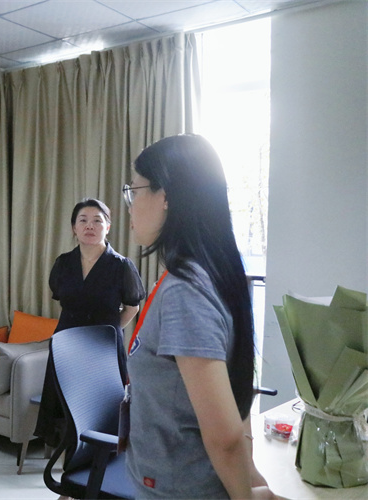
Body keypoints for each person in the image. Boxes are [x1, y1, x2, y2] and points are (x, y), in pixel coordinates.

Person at [124, 134, 274, 498]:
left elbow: (224, 436)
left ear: (165, 197)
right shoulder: (212, 273)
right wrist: (251, 478)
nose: (129, 205)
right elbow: (234, 395)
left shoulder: (185, 290)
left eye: (134, 191)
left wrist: (246, 494)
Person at [35, 198, 145, 447]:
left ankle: (97, 464)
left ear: (108, 227)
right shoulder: (63, 263)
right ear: (74, 228)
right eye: (83, 220)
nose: (90, 226)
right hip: (66, 345)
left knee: (101, 412)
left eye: (97, 220)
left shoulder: (121, 266)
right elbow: (64, 300)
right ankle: (66, 461)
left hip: (103, 350)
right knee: (65, 409)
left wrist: (108, 331)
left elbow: (132, 307)